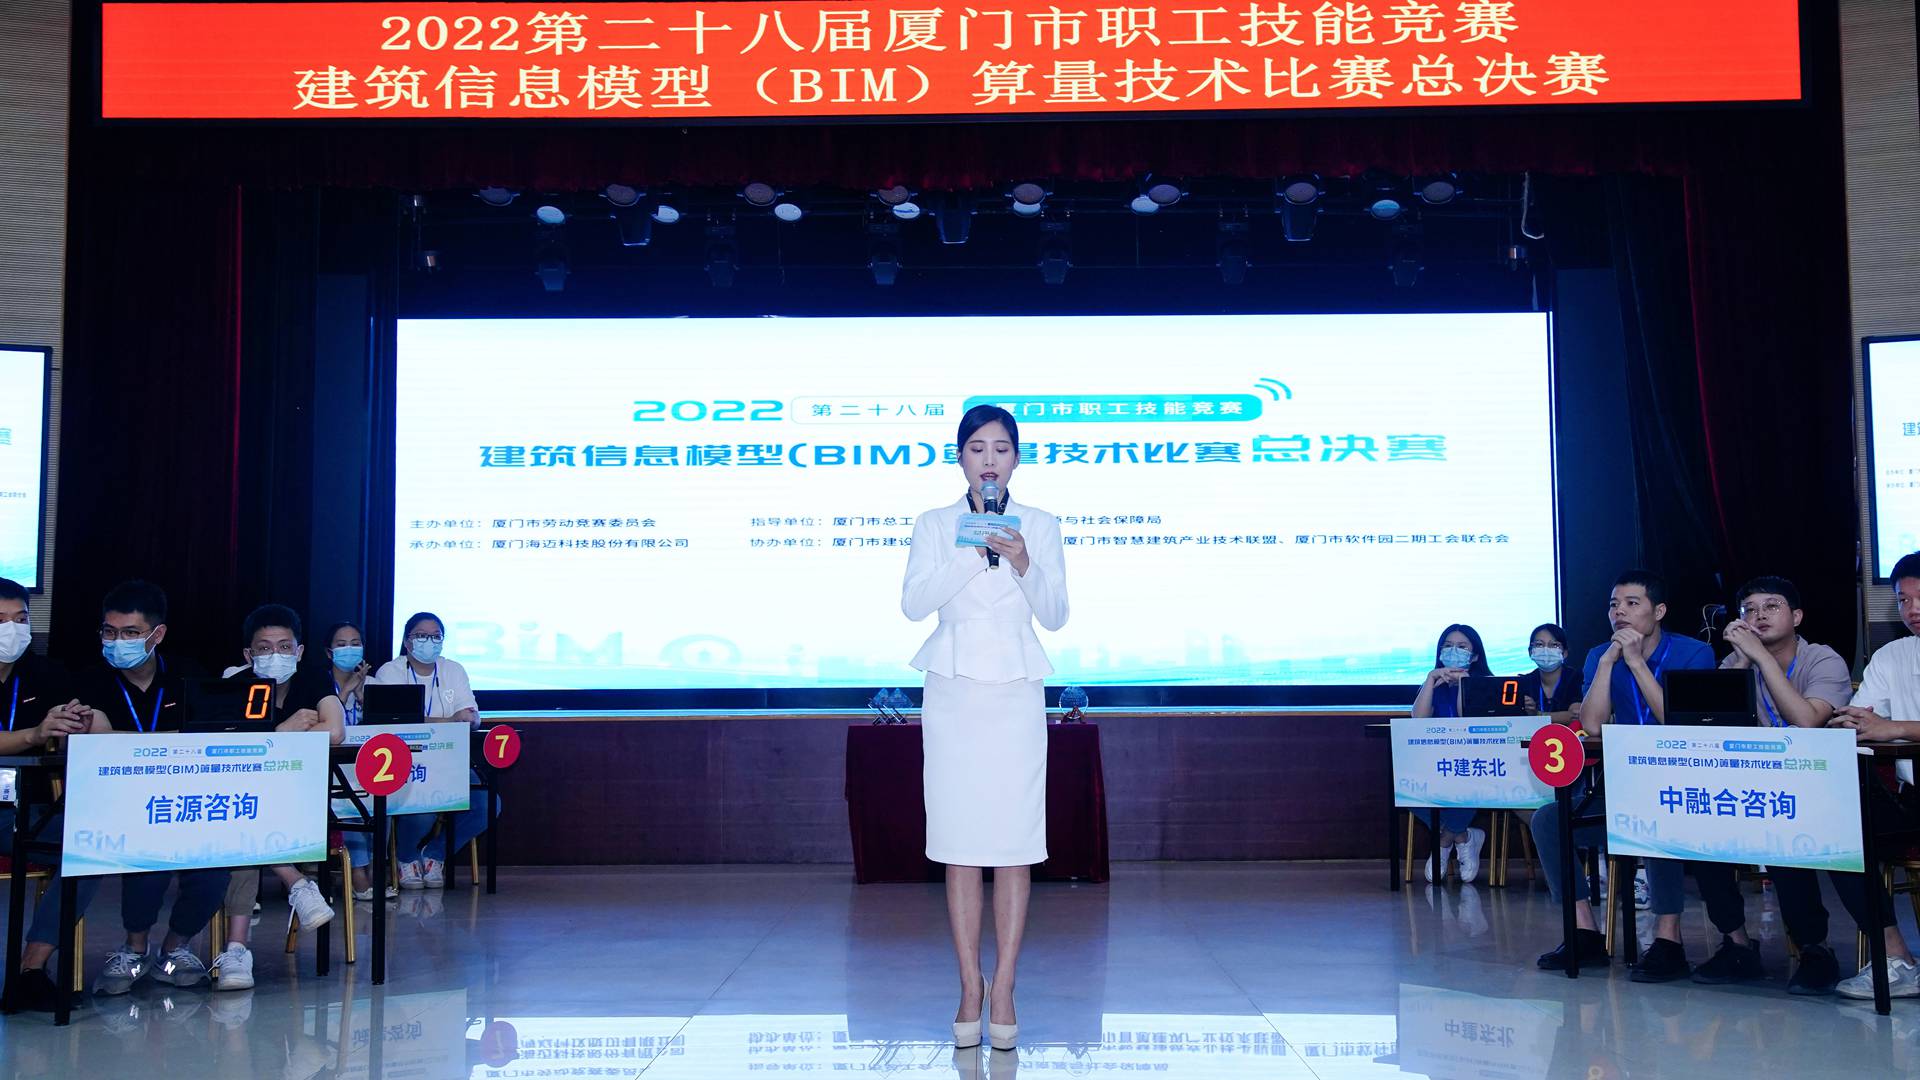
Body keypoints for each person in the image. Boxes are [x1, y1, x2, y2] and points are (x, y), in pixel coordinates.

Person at [902, 404, 1068, 1053]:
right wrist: (973, 552)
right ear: (960, 458)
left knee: (1014, 841)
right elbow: (915, 603)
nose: (989, 460)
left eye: (1001, 448)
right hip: (954, 690)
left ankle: (1005, 988)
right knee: (961, 841)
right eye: (977, 448)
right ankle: (970, 985)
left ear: (1017, 458)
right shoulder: (934, 524)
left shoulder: (1042, 525)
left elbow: (1055, 614)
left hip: (1016, 690)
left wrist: (1022, 561)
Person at [1530, 569, 1715, 979]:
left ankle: (1668, 939)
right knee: (1549, 821)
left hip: (1685, 786)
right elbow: (1592, 724)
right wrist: (1608, 662)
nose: (1620, 613)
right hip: (1624, 785)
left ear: (1658, 611)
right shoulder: (1601, 655)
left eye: (1632, 604)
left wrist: (1635, 662)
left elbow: (1678, 723)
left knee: (1654, 812)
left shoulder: (1694, 654)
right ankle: (1584, 932)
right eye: (1614, 605)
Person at [1682, 576, 1852, 994]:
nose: (1758, 616)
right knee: (1698, 827)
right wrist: (1742, 662)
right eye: (1749, 610)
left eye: (1771, 607)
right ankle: (1737, 944)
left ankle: (1815, 948)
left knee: (1781, 832)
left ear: (1797, 616)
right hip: (1751, 785)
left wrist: (1760, 656)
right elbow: (1705, 728)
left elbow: (1806, 721)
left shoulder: (1822, 659)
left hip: (1818, 787)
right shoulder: (1737, 662)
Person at [209, 603, 344, 990]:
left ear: (299, 651)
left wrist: (264, 741)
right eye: (265, 648)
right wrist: (284, 732)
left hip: (302, 804)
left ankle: (237, 950)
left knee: (241, 823)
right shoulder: (234, 684)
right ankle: (296, 884)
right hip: (247, 803)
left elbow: (336, 732)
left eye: (285, 647)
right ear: (249, 654)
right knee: (243, 821)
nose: (276, 655)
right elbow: (225, 747)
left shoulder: (314, 680)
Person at [1829, 551, 1920, 999]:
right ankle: (1897, 961)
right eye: (1903, 600)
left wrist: (1894, 728)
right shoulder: (1892, 656)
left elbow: (1886, 727)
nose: (1912, 609)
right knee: (1839, 838)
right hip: (1913, 796)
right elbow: (1864, 717)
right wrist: (1850, 722)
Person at [371, 612, 489, 889]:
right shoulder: (390, 672)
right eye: (421, 635)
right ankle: (406, 857)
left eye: (436, 636)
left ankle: (435, 854)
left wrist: (469, 719)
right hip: (405, 763)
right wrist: (450, 721)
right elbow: (396, 720)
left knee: (486, 806)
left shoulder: (453, 670)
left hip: (449, 762)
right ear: (406, 641)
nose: (429, 641)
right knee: (423, 809)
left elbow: (471, 716)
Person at [1409, 624, 1495, 882]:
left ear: (1475, 655)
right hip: (1436, 762)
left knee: (1474, 781)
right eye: (1447, 646)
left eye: (1461, 646)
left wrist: (1464, 684)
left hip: (1475, 762)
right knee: (1406, 784)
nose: (1453, 651)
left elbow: (1467, 719)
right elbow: (1417, 720)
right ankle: (1463, 836)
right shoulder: (1433, 685)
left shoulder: (1486, 684)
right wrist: (1430, 680)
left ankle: (1444, 841)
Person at [319, 621, 395, 901]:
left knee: (385, 800)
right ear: (329, 652)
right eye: (341, 644)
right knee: (347, 800)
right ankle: (358, 872)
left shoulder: (374, 684)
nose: (349, 649)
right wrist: (345, 692)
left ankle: (376, 867)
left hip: (368, 766)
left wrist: (364, 699)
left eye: (355, 643)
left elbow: (387, 729)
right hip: (329, 769)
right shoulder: (318, 684)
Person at [1516, 623, 1583, 716]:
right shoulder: (1524, 682)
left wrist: (1537, 714)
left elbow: (1575, 715)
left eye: (1554, 645)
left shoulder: (1577, 678)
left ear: (1565, 653)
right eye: (1539, 644)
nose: (1546, 650)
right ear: (1530, 652)